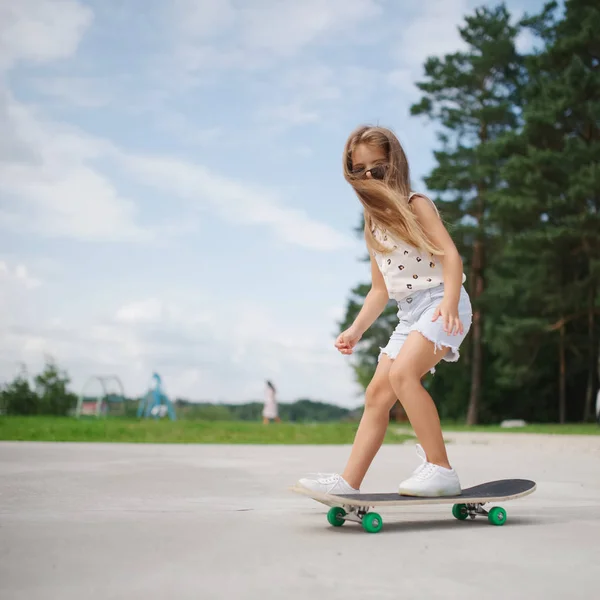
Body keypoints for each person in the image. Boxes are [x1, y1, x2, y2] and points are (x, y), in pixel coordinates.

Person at [297, 125, 472, 497]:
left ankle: (440, 468)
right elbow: (380, 290)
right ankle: (349, 482)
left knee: (404, 375)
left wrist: (451, 302)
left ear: (395, 163)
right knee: (377, 394)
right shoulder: (372, 225)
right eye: (361, 171)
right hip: (409, 315)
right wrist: (355, 331)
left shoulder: (415, 205)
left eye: (378, 167)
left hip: (442, 302)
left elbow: (451, 256)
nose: (370, 176)